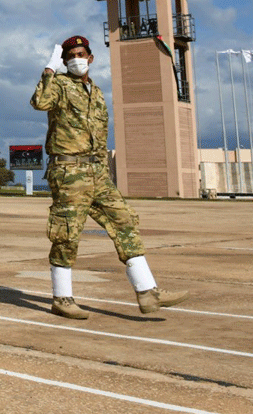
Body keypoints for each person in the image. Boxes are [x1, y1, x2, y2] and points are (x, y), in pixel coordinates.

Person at [31, 35, 190, 319]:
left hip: (97, 171)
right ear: (64, 61)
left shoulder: (97, 91)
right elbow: (40, 102)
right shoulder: (60, 86)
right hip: (69, 172)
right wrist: (49, 71)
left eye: (81, 54)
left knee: (124, 220)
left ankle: (147, 291)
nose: (76, 59)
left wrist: (103, 169)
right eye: (70, 56)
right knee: (67, 233)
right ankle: (62, 298)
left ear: (91, 58)